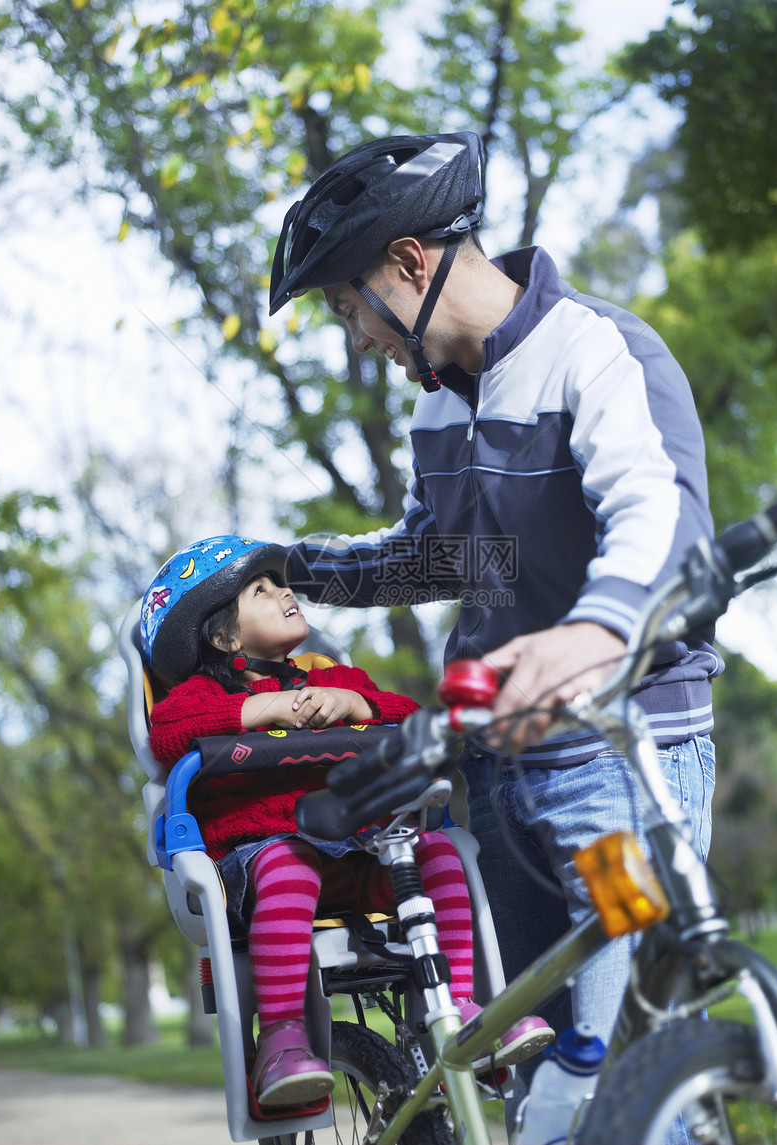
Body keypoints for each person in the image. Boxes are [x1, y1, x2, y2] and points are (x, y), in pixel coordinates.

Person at [269, 132, 721, 1054]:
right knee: (546, 1071)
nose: (357, 335)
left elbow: (662, 521)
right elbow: (444, 561)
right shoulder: (440, 400)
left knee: (626, 1058)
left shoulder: (596, 352)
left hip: (618, 759)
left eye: (350, 307)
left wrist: (593, 631)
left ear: (408, 262)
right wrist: (283, 567)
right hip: (501, 772)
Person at [140, 534, 552, 1110]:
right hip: (265, 866)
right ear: (224, 635)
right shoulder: (199, 695)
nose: (286, 592)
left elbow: (412, 723)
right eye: (260, 590)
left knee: (438, 853)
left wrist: (362, 708)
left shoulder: (337, 680)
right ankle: (282, 1037)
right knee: (289, 863)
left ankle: (459, 1010)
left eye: (282, 582)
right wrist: (265, 710)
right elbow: (171, 736)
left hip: (364, 853)